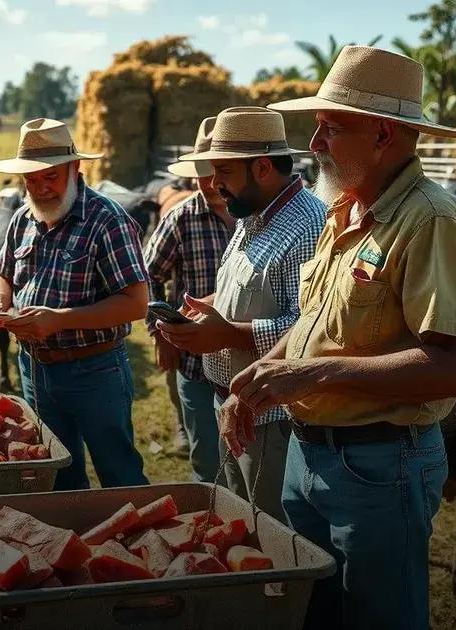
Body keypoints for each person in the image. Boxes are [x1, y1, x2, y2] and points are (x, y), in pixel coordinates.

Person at [230, 46, 456, 629]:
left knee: (379, 616)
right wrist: (255, 379)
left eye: (330, 129)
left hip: (380, 464)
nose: (314, 145)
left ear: (383, 134)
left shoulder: (433, 221)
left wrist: (315, 374)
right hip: (309, 453)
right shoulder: (343, 210)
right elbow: (316, 320)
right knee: (315, 608)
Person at [156, 107, 325, 522]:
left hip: (270, 417)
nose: (215, 184)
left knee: (266, 530)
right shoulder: (252, 215)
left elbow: (315, 325)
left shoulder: (307, 226)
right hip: (233, 405)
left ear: (263, 168)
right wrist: (210, 307)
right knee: (237, 520)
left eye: (224, 172)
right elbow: (254, 291)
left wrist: (228, 333)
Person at [0, 118, 150, 490]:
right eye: (31, 180)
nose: (40, 189)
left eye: (50, 177)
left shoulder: (107, 220)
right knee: (56, 473)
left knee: (118, 472)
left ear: (76, 169)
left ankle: (135, 544)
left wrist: (60, 320)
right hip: (35, 368)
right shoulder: (23, 217)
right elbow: (2, 273)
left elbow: (136, 304)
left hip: (95, 370)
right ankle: (76, 540)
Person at [144, 115, 236, 481]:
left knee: (253, 466)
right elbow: (149, 274)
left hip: (252, 362)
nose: (210, 182)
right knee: (208, 460)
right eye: (201, 172)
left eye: (219, 169)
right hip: (197, 365)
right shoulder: (181, 218)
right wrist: (160, 331)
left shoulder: (258, 216)